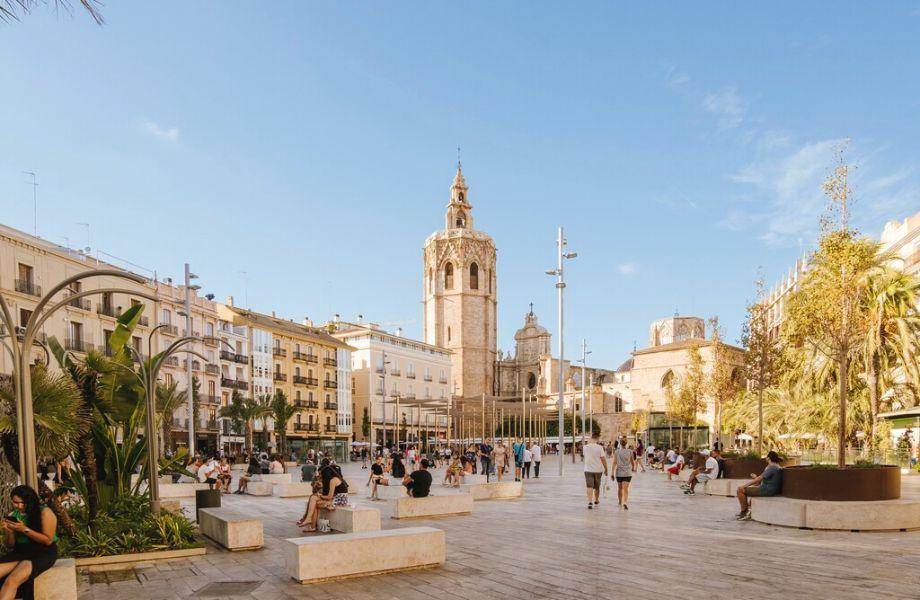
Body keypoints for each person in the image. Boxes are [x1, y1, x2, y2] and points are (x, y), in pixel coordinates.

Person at [0, 485, 58, 600]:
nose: (19, 506)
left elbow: (47, 540)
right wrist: (9, 531)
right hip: (21, 552)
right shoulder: (14, 515)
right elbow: (10, 545)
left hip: (42, 552)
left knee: (13, 579)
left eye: (23, 503)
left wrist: (24, 529)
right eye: (15, 503)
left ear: (30, 501)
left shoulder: (45, 512)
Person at [736, 451, 784, 520]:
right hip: (769, 489)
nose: (766, 458)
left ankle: (744, 512)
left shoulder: (772, 467)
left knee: (740, 490)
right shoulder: (775, 466)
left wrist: (744, 486)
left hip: (767, 490)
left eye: (767, 457)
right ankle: (748, 512)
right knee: (750, 490)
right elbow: (764, 479)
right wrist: (756, 477)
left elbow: (759, 478)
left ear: (768, 458)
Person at [583, 432, 608, 509]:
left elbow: (585, 456)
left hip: (588, 470)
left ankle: (590, 502)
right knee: (597, 486)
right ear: (597, 438)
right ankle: (596, 500)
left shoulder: (585, 447)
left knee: (589, 486)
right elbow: (603, 459)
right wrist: (606, 469)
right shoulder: (600, 447)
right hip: (598, 470)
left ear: (591, 438)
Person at [613, 437, 637, 510]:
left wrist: (612, 472)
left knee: (620, 488)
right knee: (625, 489)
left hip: (619, 473)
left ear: (620, 443)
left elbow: (614, 462)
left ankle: (620, 502)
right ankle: (625, 502)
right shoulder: (630, 451)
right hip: (627, 473)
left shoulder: (617, 452)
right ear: (626, 443)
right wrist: (633, 468)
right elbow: (632, 461)